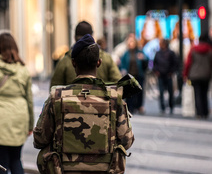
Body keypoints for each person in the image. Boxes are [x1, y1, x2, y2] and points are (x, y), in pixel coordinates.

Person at [33, 34, 134, 174]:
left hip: (63, 169)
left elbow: (40, 139)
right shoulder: (114, 98)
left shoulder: (56, 96)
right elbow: (126, 141)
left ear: (73, 63)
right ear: (98, 62)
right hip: (105, 170)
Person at [0, 33, 33, 174]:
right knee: (16, 159)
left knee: (1, 162)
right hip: (19, 118)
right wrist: (30, 125)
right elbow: (29, 100)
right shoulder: (23, 70)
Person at [50, 21, 121, 88]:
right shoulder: (106, 58)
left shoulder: (64, 61)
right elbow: (118, 83)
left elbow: (54, 89)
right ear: (99, 62)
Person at [183, 34, 212, 119]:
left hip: (194, 75)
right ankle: (205, 112)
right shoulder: (209, 50)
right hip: (206, 75)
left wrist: (185, 74)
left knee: (197, 94)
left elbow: (188, 63)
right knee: (205, 93)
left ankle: (199, 112)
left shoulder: (193, 49)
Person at [120, 36, 149, 114]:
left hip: (139, 74)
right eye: (130, 42)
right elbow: (122, 63)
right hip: (130, 76)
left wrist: (143, 58)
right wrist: (122, 69)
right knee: (130, 92)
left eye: (132, 42)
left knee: (139, 91)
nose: (131, 44)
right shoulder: (126, 53)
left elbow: (147, 59)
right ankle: (130, 107)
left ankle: (139, 106)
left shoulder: (139, 51)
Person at [153, 39, 180, 114]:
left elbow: (175, 63)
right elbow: (154, 63)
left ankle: (171, 106)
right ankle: (162, 107)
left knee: (170, 92)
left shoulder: (171, 53)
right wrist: (156, 71)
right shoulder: (158, 53)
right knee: (161, 92)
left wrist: (172, 72)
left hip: (168, 75)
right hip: (160, 75)